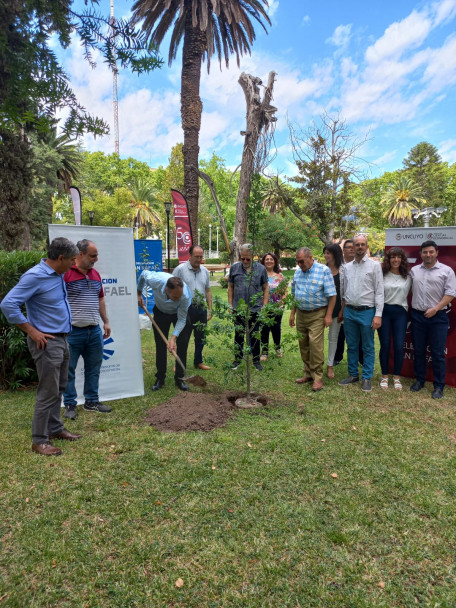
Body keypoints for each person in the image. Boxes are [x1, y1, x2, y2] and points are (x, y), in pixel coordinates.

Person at [0, 238, 82, 456]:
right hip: (46, 342)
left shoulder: (58, 274)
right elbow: (8, 304)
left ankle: (55, 429)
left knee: (59, 387)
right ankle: (39, 440)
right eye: (72, 260)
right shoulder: (35, 276)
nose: (74, 264)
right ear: (61, 258)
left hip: (62, 339)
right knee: (47, 392)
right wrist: (31, 330)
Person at [62, 240, 112, 420]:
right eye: (93, 255)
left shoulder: (96, 274)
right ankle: (69, 404)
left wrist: (105, 321)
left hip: (94, 331)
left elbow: (100, 300)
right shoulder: (66, 274)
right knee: (68, 369)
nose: (96, 259)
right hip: (72, 332)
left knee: (93, 368)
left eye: (96, 255)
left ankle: (91, 401)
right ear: (80, 254)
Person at [410, 240, 456, 399]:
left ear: (437, 252)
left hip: (438, 318)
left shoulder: (447, 271)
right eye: (425, 252)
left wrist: (435, 309)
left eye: (431, 252)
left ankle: (438, 386)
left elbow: (450, 294)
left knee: (437, 353)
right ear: (420, 254)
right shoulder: (414, 270)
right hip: (417, 316)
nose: (428, 254)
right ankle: (419, 380)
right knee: (419, 351)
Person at [339, 234, 384, 392]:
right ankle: (353, 375)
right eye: (356, 245)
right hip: (350, 311)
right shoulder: (346, 267)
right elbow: (343, 292)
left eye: (362, 244)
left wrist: (378, 314)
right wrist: (343, 311)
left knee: (367, 346)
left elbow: (379, 292)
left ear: (366, 247)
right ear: (352, 247)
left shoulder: (374, 266)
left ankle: (366, 377)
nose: (359, 247)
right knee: (351, 346)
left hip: (367, 312)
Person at [290, 247, 336, 392]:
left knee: (315, 345)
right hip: (301, 314)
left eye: (302, 261)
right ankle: (308, 373)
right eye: (297, 262)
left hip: (317, 314)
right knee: (303, 344)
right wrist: (292, 314)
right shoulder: (297, 272)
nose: (299, 265)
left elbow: (332, 295)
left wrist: (328, 315)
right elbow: (294, 294)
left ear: (310, 258)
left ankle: (317, 378)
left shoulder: (323, 271)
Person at [137, 272, 191, 391]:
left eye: (179, 296)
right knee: (160, 345)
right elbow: (143, 275)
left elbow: (182, 319)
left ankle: (180, 378)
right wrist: (139, 293)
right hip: (161, 312)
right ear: (166, 289)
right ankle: (160, 378)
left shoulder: (185, 296)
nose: (178, 299)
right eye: (175, 297)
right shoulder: (155, 280)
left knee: (182, 344)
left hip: (178, 314)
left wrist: (173, 338)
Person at [227, 244, 269, 371]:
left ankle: (256, 361)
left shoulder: (261, 269)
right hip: (238, 309)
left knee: (255, 335)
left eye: (247, 259)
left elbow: (266, 287)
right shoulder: (234, 268)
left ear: (253, 256)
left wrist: (264, 305)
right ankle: (237, 359)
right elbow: (230, 287)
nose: (245, 261)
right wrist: (230, 304)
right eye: (242, 258)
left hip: (255, 308)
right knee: (238, 334)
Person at [173, 245, 212, 370]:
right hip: (185, 309)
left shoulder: (205, 271)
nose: (199, 259)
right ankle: (178, 363)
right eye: (196, 256)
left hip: (200, 309)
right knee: (183, 337)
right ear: (190, 255)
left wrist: (210, 309)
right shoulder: (180, 270)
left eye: (201, 257)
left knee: (200, 337)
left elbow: (208, 290)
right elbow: (171, 287)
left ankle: (198, 361)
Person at [378, 247, 411, 391]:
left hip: (400, 313)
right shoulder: (382, 274)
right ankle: (385, 376)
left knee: (398, 346)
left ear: (402, 259)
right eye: (393, 257)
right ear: (388, 259)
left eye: (398, 257)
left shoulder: (408, 276)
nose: (395, 260)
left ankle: (396, 377)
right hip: (385, 311)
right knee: (385, 345)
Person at [259, 252, 287, 361]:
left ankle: (277, 348)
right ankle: (264, 352)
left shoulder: (280, 276)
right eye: (267, 259)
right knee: (264, 329)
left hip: (277, 308)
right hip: (263, 308)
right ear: (263, 262)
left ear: (274, 261)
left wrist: (282, 303)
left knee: (276, 329)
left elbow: (285, 292)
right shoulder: (260, 275)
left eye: (271, 259)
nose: (269, 261)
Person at [323, 244, 344, 379]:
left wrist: (342, 310)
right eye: (324, 253)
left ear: (336, 254)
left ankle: (330, 365)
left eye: (328, 253)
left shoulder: (344, 271)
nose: (326, 255)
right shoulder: (321, 270)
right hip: (320, 310)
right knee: (316, 339)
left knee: (333, 338)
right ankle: (316, 364)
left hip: (337, 310)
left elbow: (346, 292)